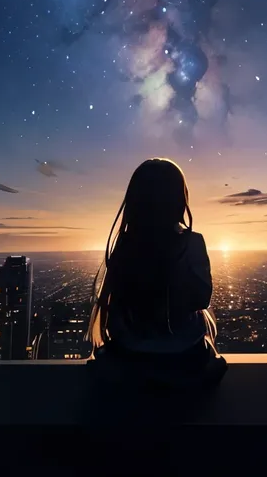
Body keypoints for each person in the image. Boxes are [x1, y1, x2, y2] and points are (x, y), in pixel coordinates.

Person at [87, 157, 227, 388]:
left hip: (130, 355)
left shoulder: (125, 245)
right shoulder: (191, 242)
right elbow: (201, 298)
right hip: (183, 357)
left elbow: (115, 307)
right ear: (179, 199)